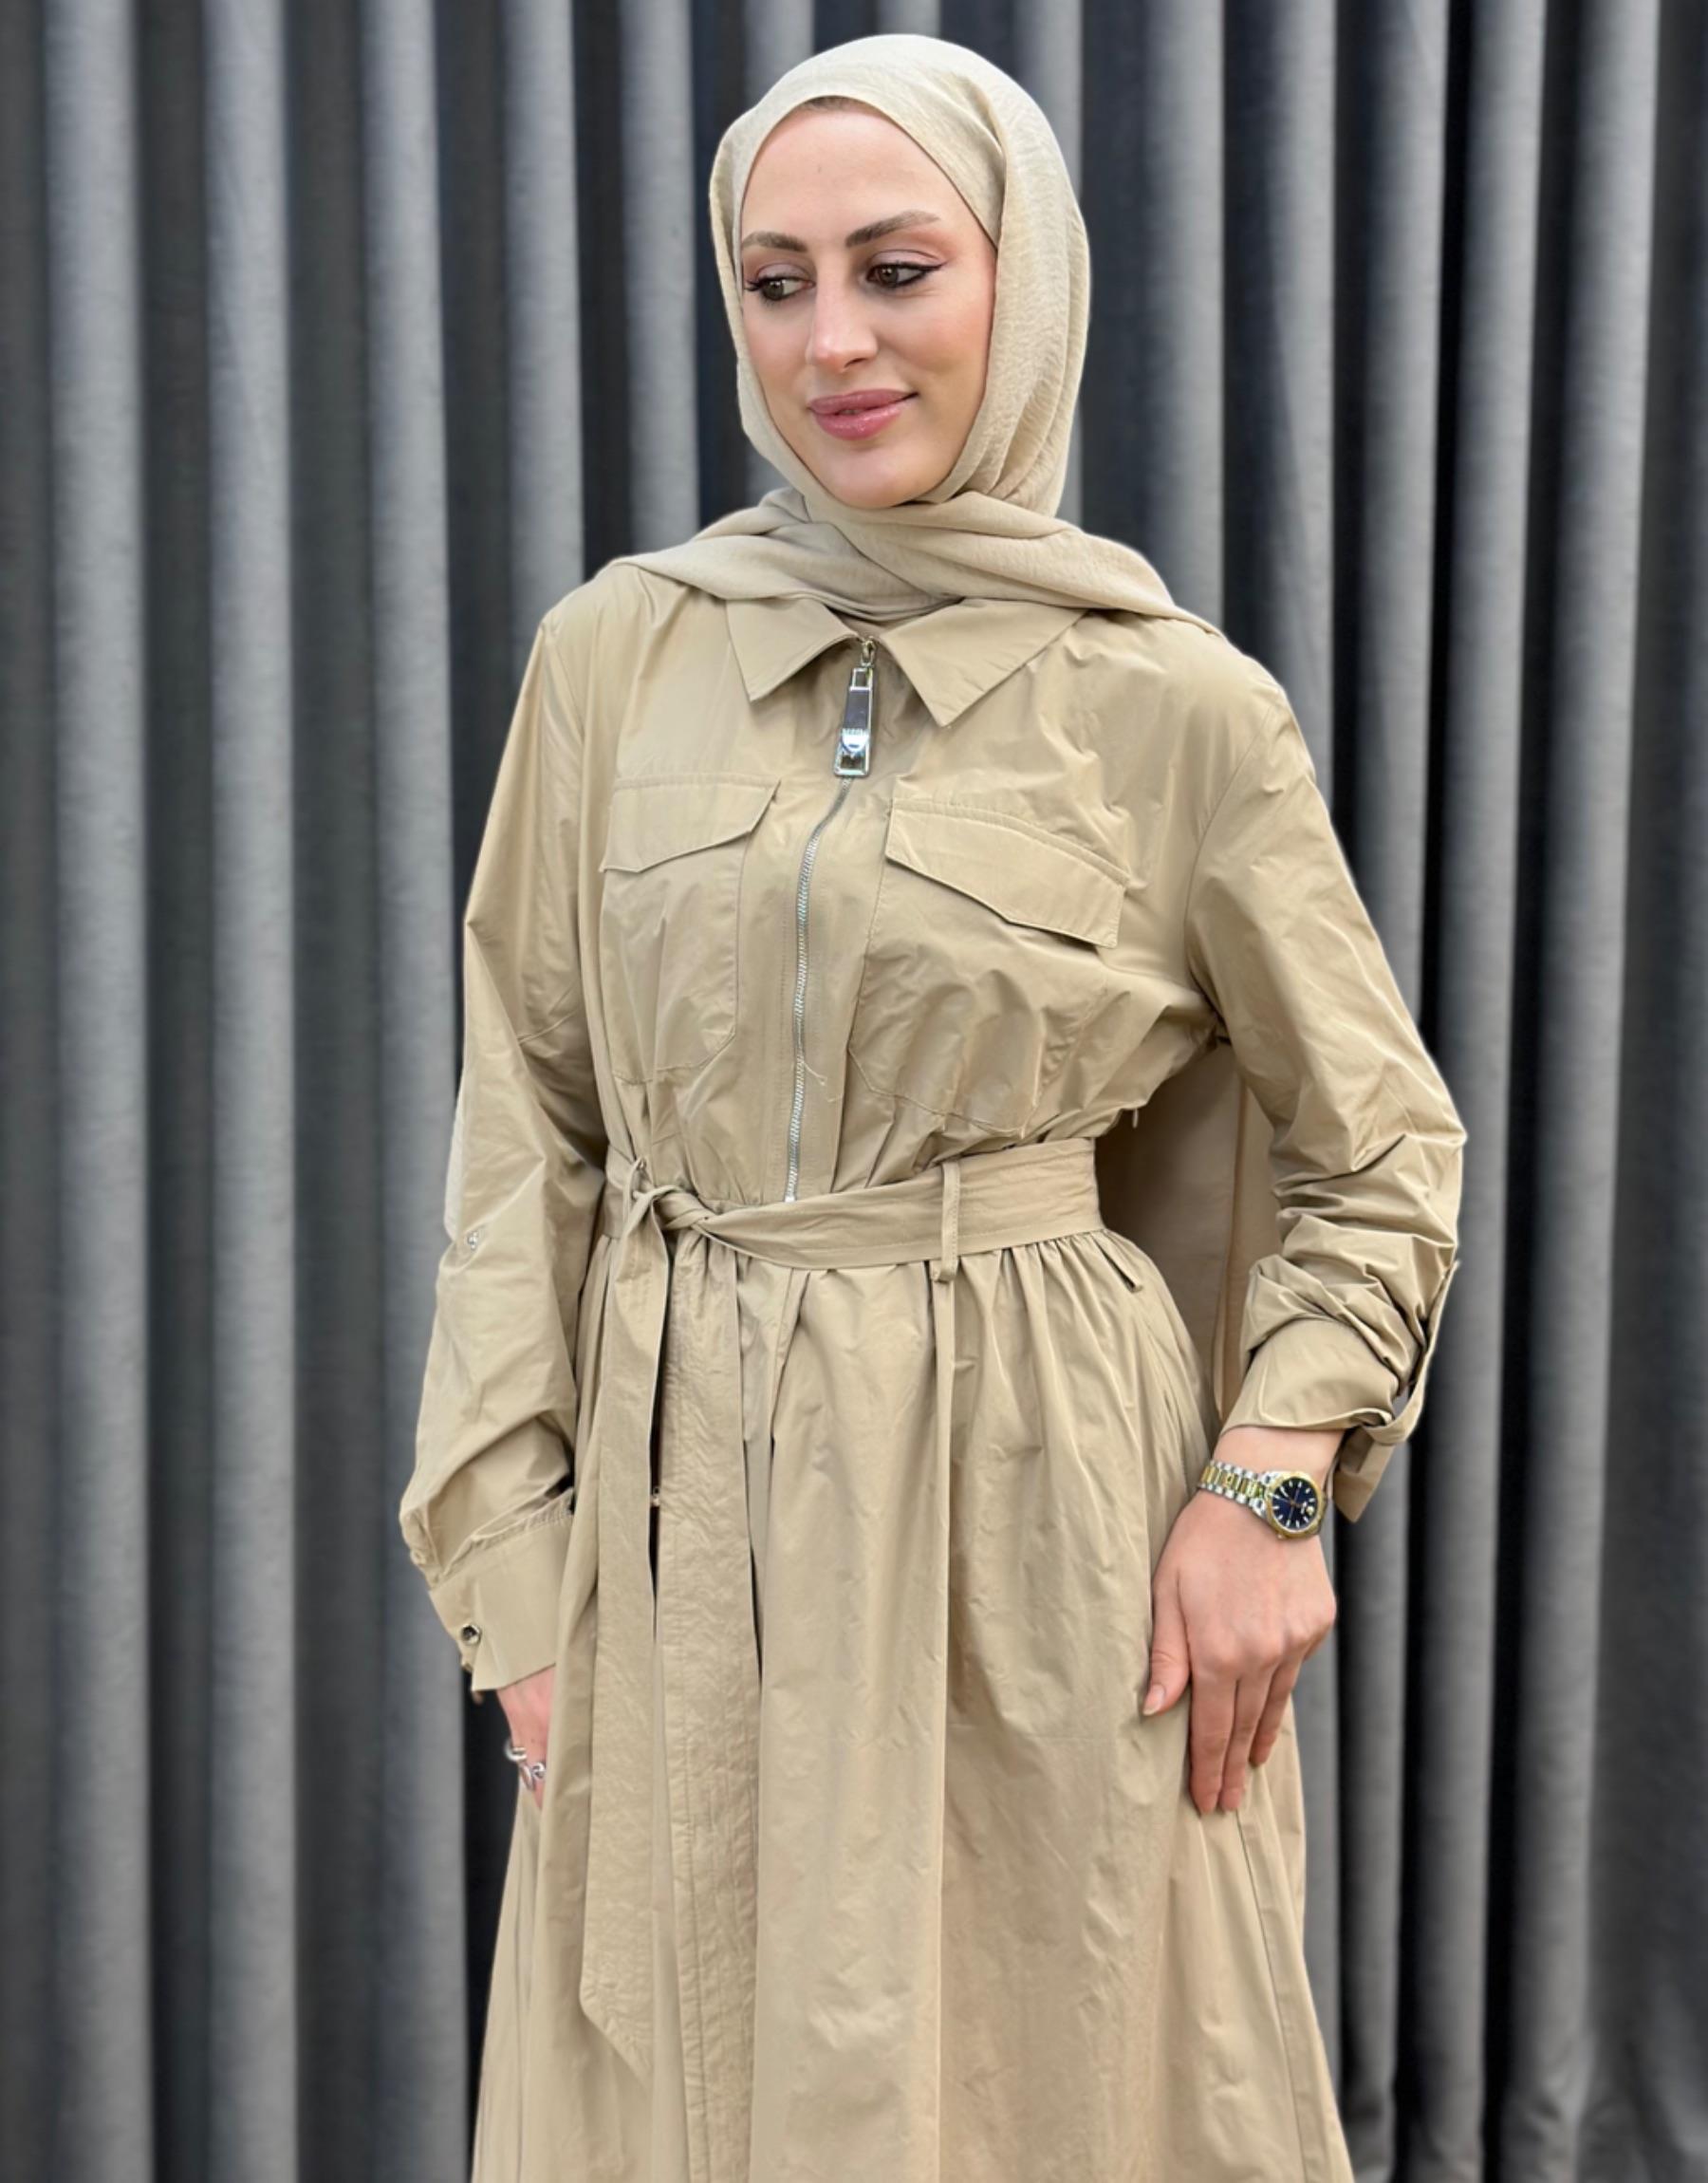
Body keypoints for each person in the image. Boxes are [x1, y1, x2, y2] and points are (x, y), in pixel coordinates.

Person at [399, 32, 1466, 2183]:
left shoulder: (1173, 703)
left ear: (1024, 278)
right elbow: (528, 1135)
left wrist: (1271, 1486)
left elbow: (1379, 1156)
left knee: (1052, 2083)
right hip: (684, 1530)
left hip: (1038, 1537)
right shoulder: (614, 659)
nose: (835, 343)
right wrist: (514, 1571)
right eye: (776, 281)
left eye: (897, 269)